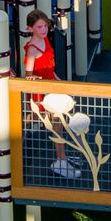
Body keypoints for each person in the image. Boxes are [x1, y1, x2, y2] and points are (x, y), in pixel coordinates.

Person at [21, 9, 75, 179]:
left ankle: (62, 159)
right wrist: (41, 82)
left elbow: (50, 69)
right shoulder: (32, 49)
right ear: (30, 29)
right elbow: (28, 76)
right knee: (56, 122)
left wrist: (59, 81)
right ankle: (61, 161)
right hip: (42, 92)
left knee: (57, 122)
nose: (44, 29)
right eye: (39, 27)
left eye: (45, 26)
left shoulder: (46, 41)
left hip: (52, 87)